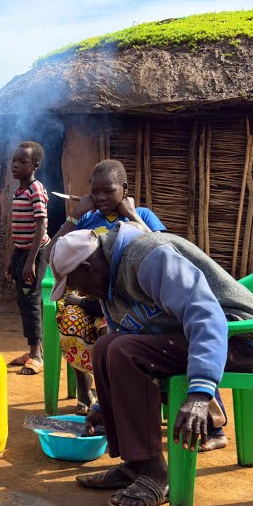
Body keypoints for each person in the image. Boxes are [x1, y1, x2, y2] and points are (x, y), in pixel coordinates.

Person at [48, 225, 253, 506]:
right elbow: (120, 333)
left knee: (122, 351)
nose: (81, 294)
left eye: (77, 286)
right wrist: (105, 403)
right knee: (106, 347)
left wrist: (200, 393)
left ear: (89, 267)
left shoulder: (149, 258)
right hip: (191, 337)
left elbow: (206, 316)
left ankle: (157, 476)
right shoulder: (109, 284)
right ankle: (137, 465)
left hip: (237, 338)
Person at [47, 160, 165, 413]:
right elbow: (51, 253)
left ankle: (108, 395)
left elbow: (163, 249)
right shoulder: (85, 219)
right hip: (83, 293)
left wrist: (131, 215)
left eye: (108, 190)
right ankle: (84, 391)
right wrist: (75, 215)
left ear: (124, 189)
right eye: (95, 191)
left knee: (106, 330)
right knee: (70, 320)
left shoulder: (142, 216)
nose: (100, 197)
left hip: (123, 298)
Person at [6, 142, 51, 375]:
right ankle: (35, 349)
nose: (16, 165)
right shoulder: (19, 191)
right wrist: (14, 259)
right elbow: (19, 232)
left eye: (22, 161)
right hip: (22, 252)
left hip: (36, 253)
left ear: (35, 165)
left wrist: (30, 261)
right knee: (24, 302)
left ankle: (36, 356)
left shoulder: (35, 189)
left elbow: (41, 225)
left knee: (31, 300)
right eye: (14, 160)